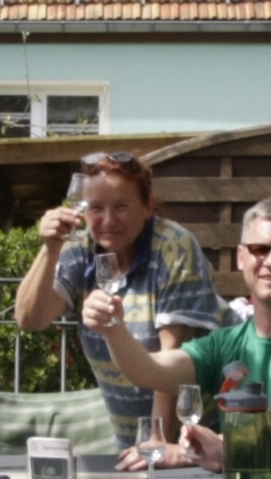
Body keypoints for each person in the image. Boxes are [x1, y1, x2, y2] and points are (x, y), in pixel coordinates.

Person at [97, 196, 271, 479]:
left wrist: (202, 449)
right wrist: (112, 328)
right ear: (241, 257)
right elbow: (149, 371)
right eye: (260, 249)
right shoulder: (226, 342)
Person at [12, 150, 219, 447]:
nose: (108, 220)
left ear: (147, 206)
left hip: (201, 432)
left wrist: (157, 440)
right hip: (132, 437)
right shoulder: (80, 248)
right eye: (96, 207)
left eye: (121, 206)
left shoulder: (173, 245)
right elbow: (30, 320)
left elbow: (171, 358)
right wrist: (50, 249)